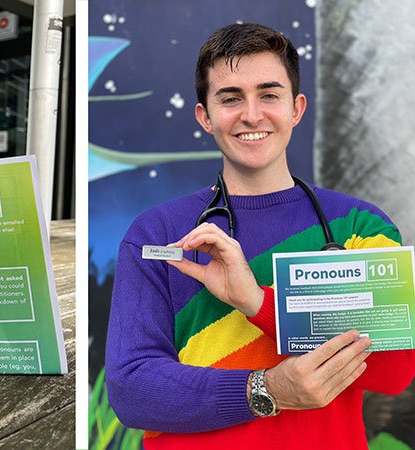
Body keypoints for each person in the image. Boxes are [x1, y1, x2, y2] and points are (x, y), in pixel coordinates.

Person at [105, 23, 415, 449]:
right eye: (230, 98)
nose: (251, 114)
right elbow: (131, 389)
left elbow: (393, 371)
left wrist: (257, 302)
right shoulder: (156, 232)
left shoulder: (359, 226)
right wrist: (266, 390)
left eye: (269, 94)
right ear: (205, 117)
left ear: (296, 108)